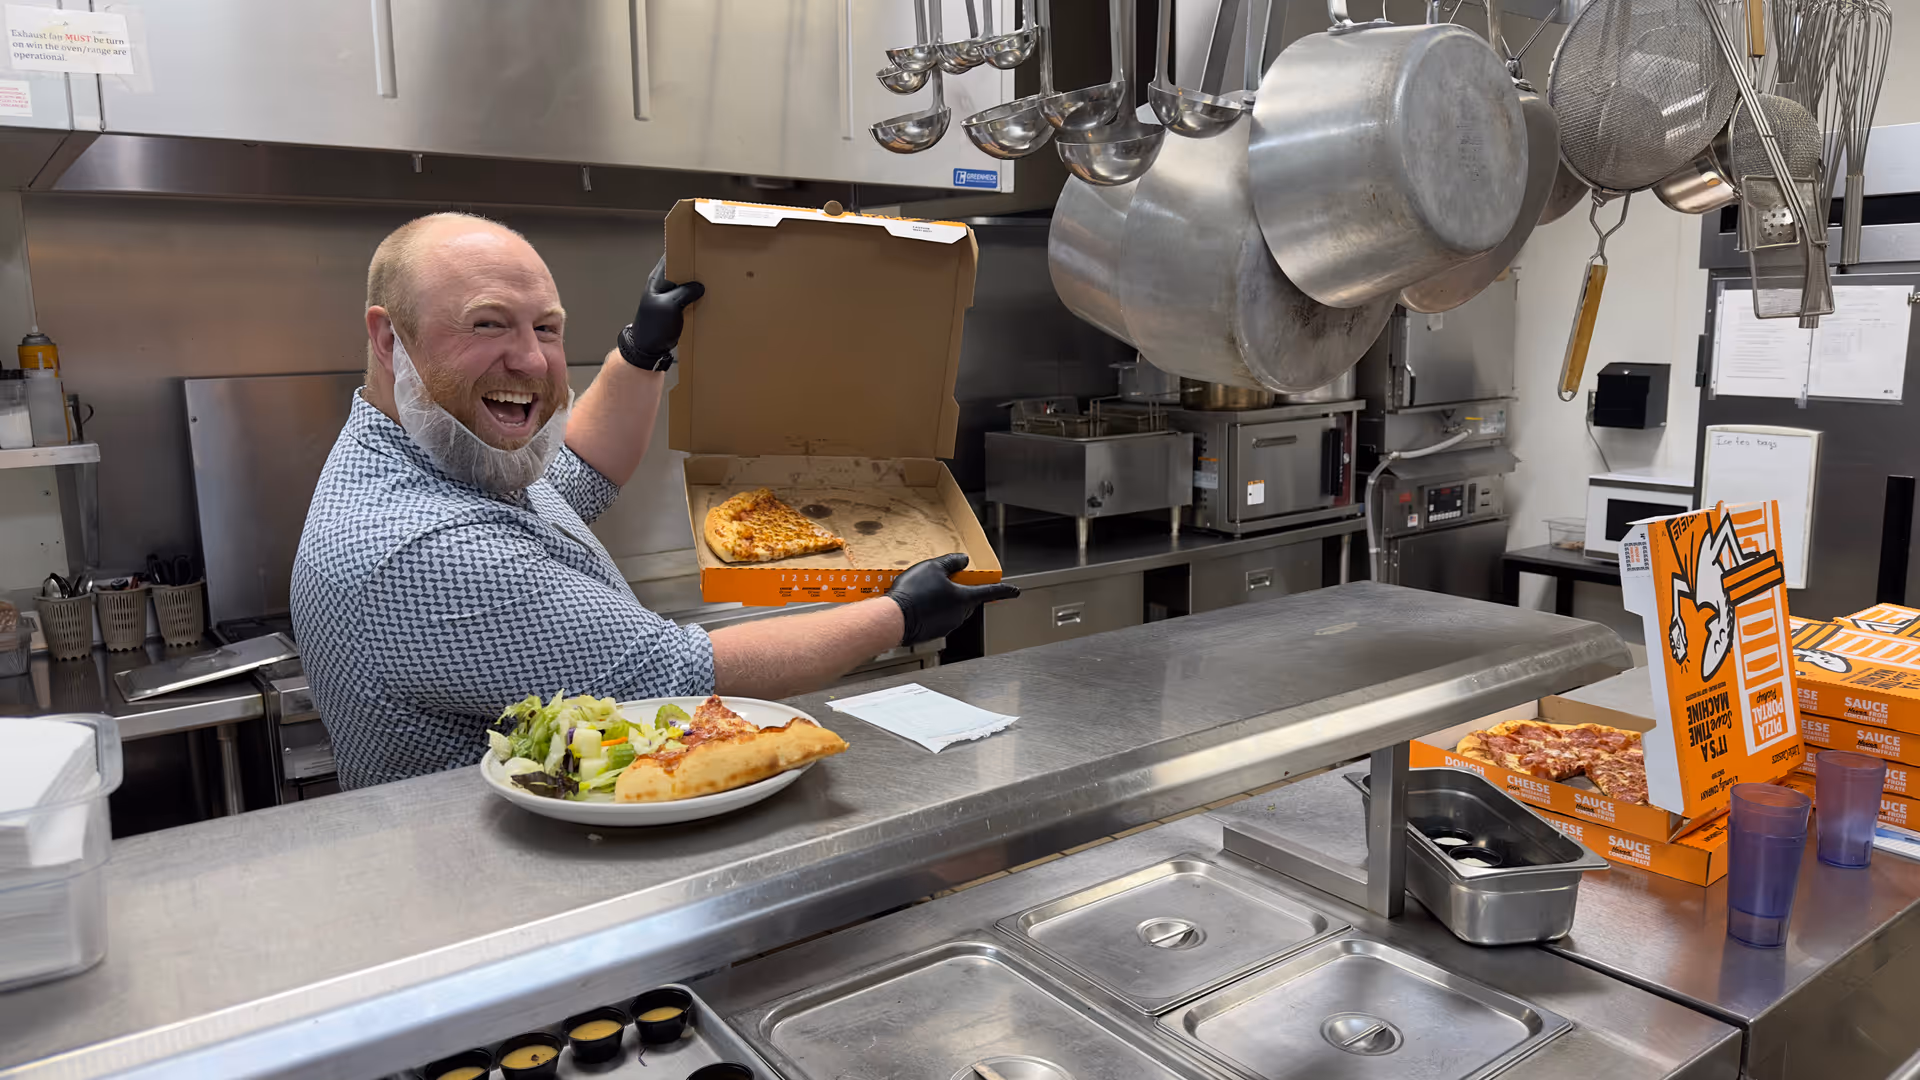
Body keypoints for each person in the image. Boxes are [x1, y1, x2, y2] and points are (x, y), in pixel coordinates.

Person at [291, 212, 1015, 789]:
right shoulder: (426, 549)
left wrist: (642, 351)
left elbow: (578, 472)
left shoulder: (435, 457)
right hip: (504, 904)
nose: (533, 360)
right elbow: (685, 672)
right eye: (488, 323)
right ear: (389, 340)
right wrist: (901, 614)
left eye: (545, 327)